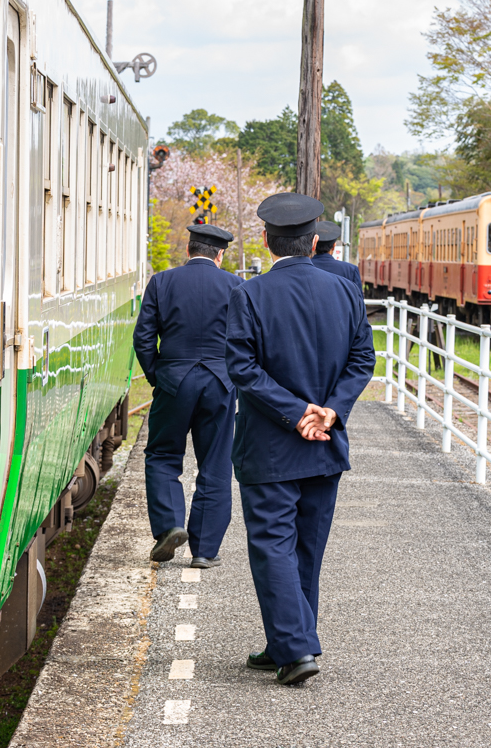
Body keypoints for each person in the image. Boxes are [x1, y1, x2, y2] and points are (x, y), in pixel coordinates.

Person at [225, 192, 375, 686]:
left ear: (267, 241)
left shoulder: (250, 295)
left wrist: (295, 413)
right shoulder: (346, 292)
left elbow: (242, 368)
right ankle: (285, 640)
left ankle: (295, 649)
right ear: (314, 241)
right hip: (325, 443)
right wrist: (330, 410)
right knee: (306, 549)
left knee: (272, 545)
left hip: (270, 446)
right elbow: (362, 362)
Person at [133, 223, 243, 568]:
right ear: (220, 255)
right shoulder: (237, 286)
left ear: (188, 249)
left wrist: (158, 375)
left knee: (163, 455)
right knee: (216, 462)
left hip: (174, 380)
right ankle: (205, 549)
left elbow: (143, 338)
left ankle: (169, 526)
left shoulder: (162, 282)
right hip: (220, 383)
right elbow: (247, 342)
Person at [311, 220, 362, 289]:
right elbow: (358, 299)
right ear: (334, 246)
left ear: (314, 244)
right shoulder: (350, 270)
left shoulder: (302, 268)